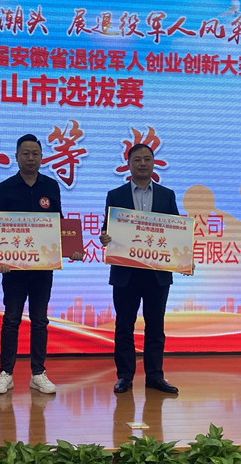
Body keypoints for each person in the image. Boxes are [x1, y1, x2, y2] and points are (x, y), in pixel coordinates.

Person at [0, 134, 82, 395]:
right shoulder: (5, 187)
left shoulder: (50, 186)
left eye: (35, 154)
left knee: (40, 320)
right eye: (26, 153)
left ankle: (38, 373)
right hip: (14, 269)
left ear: (42, 158)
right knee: (11, 319)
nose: (30, 158)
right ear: (16, 157)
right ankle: (6, 373)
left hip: (42, 267)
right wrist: (0, 259)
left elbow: (59, 223)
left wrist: (72, 248)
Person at [99, 143, 181, 394]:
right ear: (129, 164)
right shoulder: (116, 195)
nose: (143, 163)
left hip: (157, 273)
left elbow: (176, 232)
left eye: (147, 159)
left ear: (154, 163)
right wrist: (105, 237)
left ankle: (154, 376)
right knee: (124, 326)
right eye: (137, 160)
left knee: (155, 327)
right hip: (126, 273)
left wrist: (184, 257)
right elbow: (107, 229)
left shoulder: (167, 195)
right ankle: (125, 376)